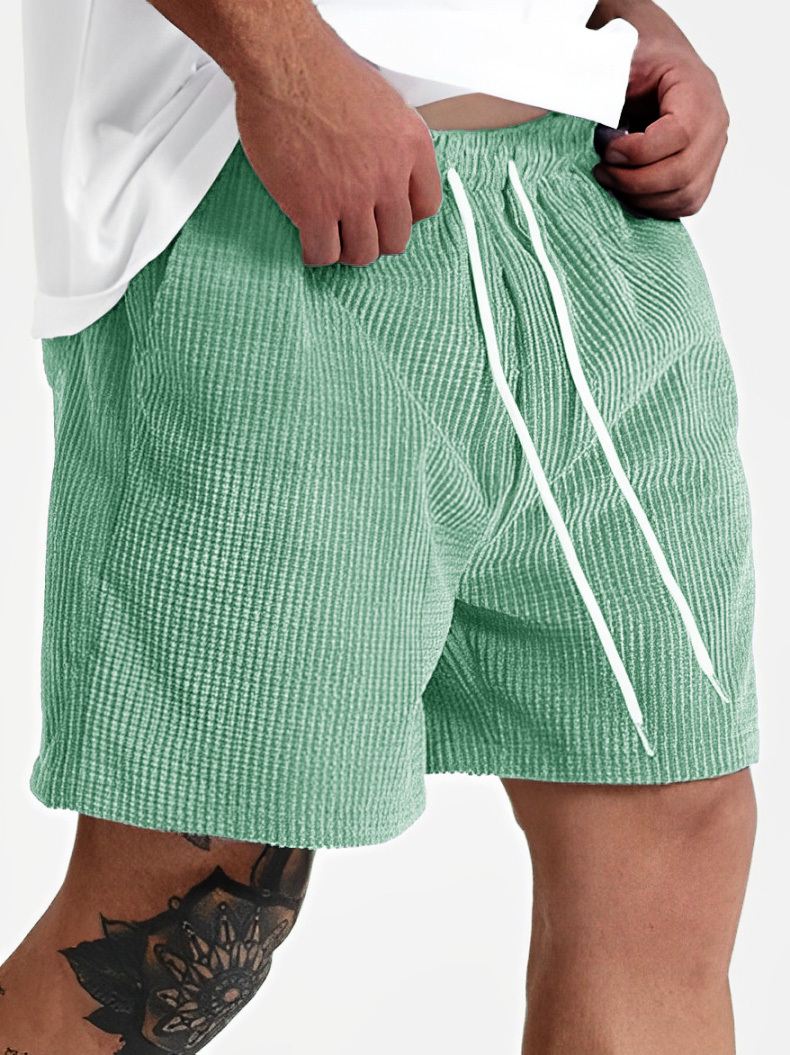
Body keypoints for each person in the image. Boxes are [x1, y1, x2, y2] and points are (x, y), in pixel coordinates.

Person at [1, 0, 759, 1052]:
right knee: (193, 900)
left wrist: (625, 17)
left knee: (670, 818)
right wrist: (287, 64)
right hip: (264, 198)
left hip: (591, 201)